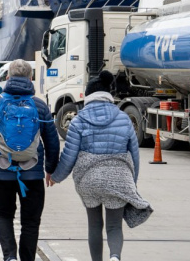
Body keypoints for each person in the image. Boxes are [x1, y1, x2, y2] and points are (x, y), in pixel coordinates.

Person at [51, 71, 152, 261]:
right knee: (114, 226)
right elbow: (135, 155)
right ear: (108, 95)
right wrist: (132, 184)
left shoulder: (78, 121)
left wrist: (56, 177)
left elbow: (69, 155)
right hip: (118, 177)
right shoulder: (123, 118)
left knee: (94, 225)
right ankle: (115, 257)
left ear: (88, 96)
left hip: (89, 180)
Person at [0, 60, 60, 261]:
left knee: (3, 216)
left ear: (8, 77)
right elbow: (52, 140)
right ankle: (27, 259)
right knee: (31, 221)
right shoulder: (39, 105)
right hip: (32, 172)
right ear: (30, 78)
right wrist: (50, 168)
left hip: (3, 172)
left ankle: (10, 257)